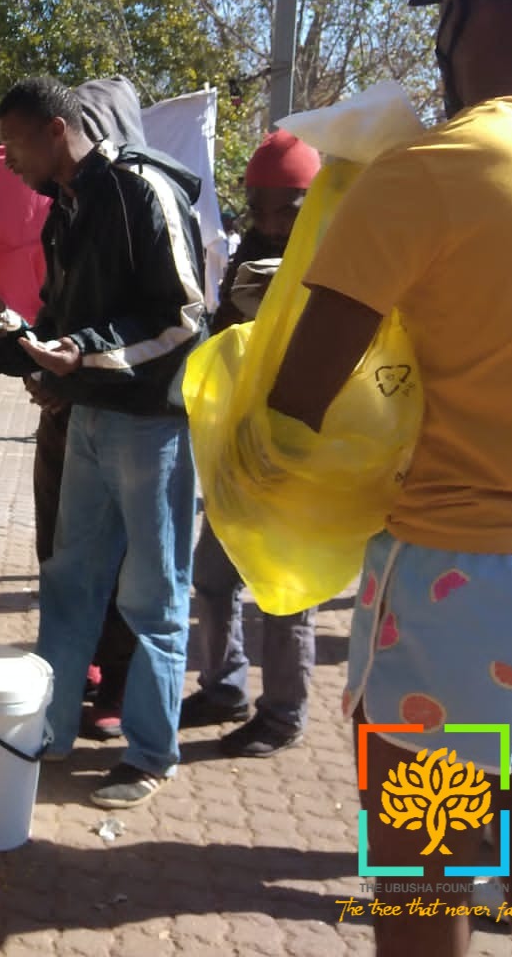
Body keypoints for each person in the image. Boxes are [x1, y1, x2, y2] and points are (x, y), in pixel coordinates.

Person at [268, 0, 512, 957]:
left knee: (422, 881)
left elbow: (297, 396)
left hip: (463, 586)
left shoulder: (437, 169)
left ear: (469, 10)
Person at [0, 74, 206, 808]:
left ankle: (149, 755)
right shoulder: (66, 205)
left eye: (14, 146)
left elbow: (185, 319)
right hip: (87, 418)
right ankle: (49, 730)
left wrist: (85, 353)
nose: (9, 163)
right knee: (70, 584)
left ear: (55, 131)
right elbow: (60, 320)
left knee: (152, 597)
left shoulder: (144, 192)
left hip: (150, 426)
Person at [181, 130, 321, 757]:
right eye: (259, 207)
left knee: (286, 592)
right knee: (213, 576)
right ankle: (223, 687)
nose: (269, 222)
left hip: (302, 452)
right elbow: (222, 344)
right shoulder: (249, 257)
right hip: (240, 447)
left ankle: (284, 714)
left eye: (284, 210)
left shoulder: (334, 260)